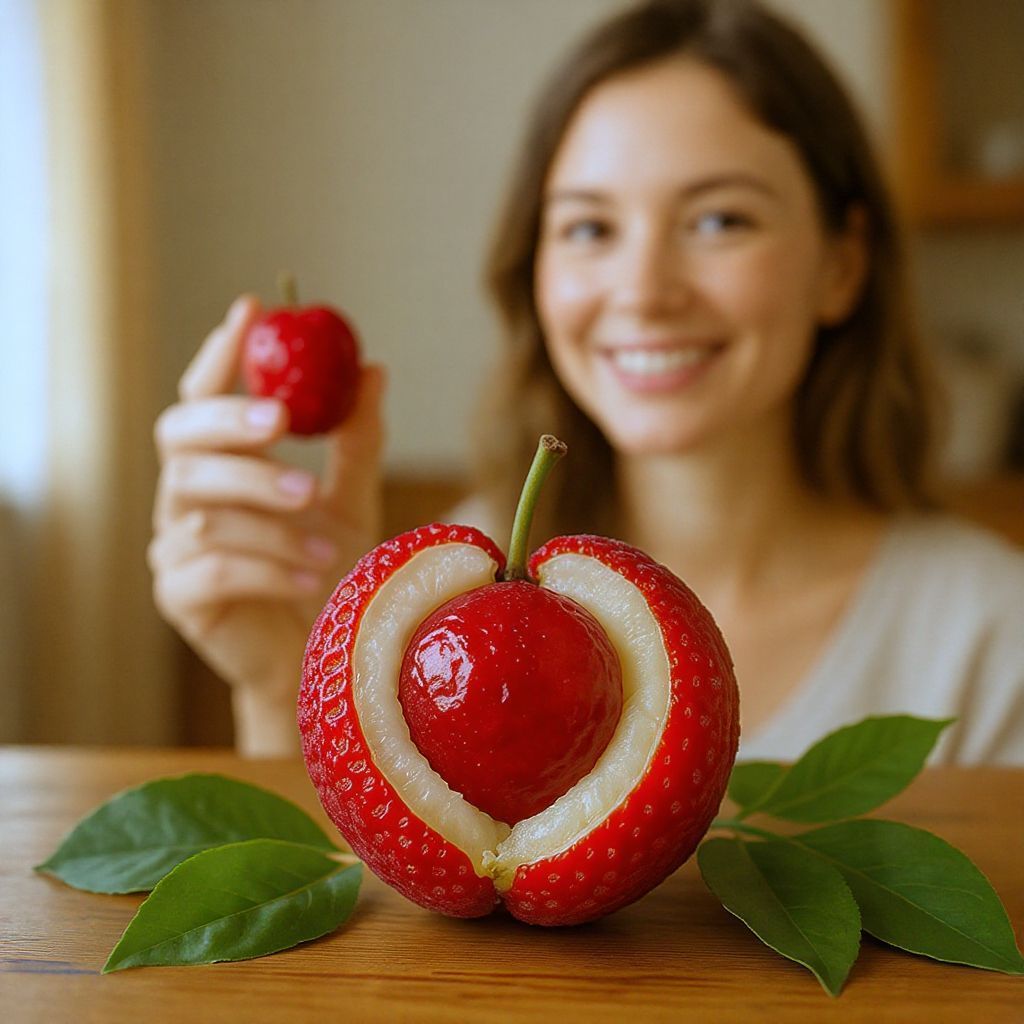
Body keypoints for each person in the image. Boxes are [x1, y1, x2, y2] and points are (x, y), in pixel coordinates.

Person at [150, 0, 1024, 763]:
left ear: (842, 263)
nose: (643, 290)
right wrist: (291, 679)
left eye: (720, 219)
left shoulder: (987, 634)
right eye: (589, 228)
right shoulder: (445, 598)